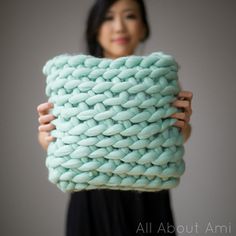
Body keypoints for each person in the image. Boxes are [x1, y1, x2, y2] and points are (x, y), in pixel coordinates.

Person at [37, 0, 193, 235]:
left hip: (148, 200)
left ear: (143, 27)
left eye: (129, 16)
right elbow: (52, 142)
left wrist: (181, 126)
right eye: (108, 17)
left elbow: (176, 137)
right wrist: (47, 137)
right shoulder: (75, 81)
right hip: (91, 202)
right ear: (95, 27)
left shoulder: (158, 78)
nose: (119, 27)